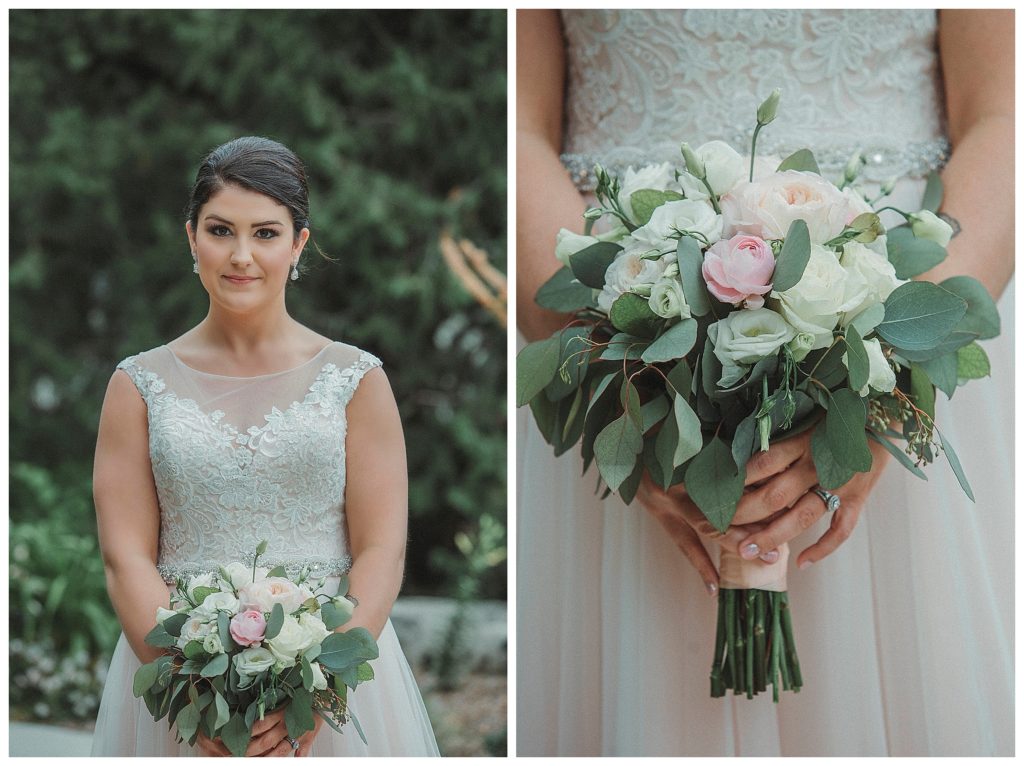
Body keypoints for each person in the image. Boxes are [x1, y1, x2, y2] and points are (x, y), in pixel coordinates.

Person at [517, 9, 1012, 756]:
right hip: (620, 326)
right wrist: (616, 386)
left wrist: (887, 389)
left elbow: (1002, 114)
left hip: (894, 299)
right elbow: (518, 125)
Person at [91, 136, 439, 756]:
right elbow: (126, 557)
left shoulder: (355, 379)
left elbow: (381, 549)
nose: (241, 255)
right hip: (177, 676)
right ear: (191, 236)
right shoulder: (137, 385)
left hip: (330, 677)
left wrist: (322, 688)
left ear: (299, 243)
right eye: (221, 230)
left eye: (266, 233)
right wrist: (188, 692)